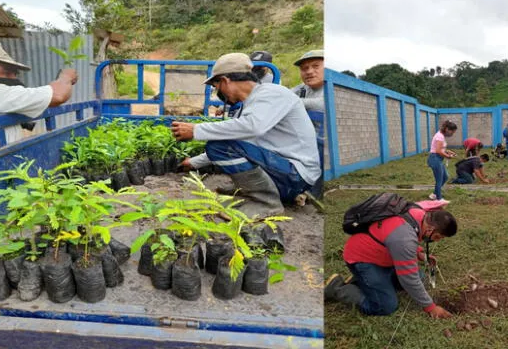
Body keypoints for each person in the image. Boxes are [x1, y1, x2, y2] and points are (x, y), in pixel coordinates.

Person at [171, 53, 320, 218]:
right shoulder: (253, 102)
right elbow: (238, 138)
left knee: (218, 146)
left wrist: (196, 130)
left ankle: (266, 203)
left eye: (216, 86)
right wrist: (194, 162)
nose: (218, 92)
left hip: (296, 175)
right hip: (285, 172)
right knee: (221, 145)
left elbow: (252, 127)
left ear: (225, 80)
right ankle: (252, 193)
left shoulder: (273, 93)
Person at [324, 200, 457, 318]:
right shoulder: (405, 239)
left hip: (382, 255)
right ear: (430, 229)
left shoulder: (419, 213)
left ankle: (363, 282)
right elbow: (409, 278)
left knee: (420, 278)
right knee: (385, 305)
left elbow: (395, 236)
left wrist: (420, 254)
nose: (436, 241)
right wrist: (431, 307)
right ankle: (337, 288)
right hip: (362, 259)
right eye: (438, 237)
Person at [0, 37, 78, 151]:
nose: (14, 78)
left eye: (15, 73)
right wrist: (66, 77)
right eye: (6, 72)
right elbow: (58, 95)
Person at [291, 49, 324, 133]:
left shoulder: (336, 87)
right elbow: (285, 94)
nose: (309, 72)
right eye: (304, 68)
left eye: (316, 66)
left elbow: (323, 104)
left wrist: (290, 102)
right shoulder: (303, 88)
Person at [427, 120, 457, 201]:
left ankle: (434, 194)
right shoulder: (439, 136)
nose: (452, 134)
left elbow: (440, 148)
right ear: (447, 129)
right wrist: (448, 156)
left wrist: (447, 151)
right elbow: (438, 151)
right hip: (435, 158)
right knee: (439, 179)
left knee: (445, 177)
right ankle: (439, 199)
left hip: (438, 159)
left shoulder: (441, 135)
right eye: (452, 132)